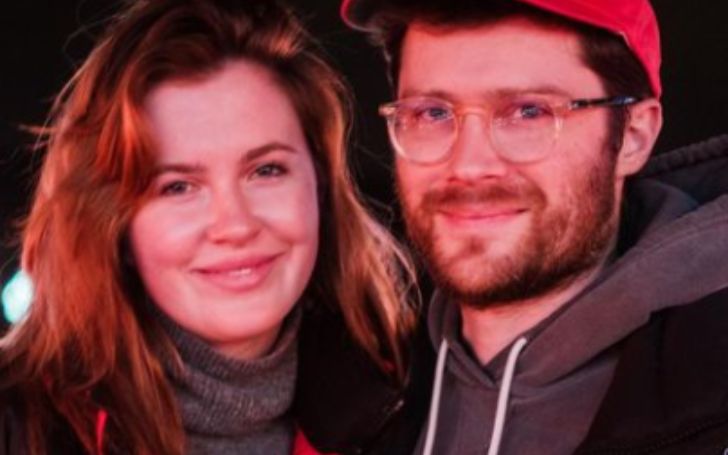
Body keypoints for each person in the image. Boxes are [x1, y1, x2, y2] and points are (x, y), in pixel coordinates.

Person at [0, 0, 417, 453]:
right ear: (115, 221)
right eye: (178, 187)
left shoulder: (415, 407)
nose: (235, 225)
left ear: (319, 184)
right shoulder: (15, 425)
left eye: (266, 170)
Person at [334, 0, 728, 453]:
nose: (469, 166)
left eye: (529, 111)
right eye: (432, 113)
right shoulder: (351, 388)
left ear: (633, 136)